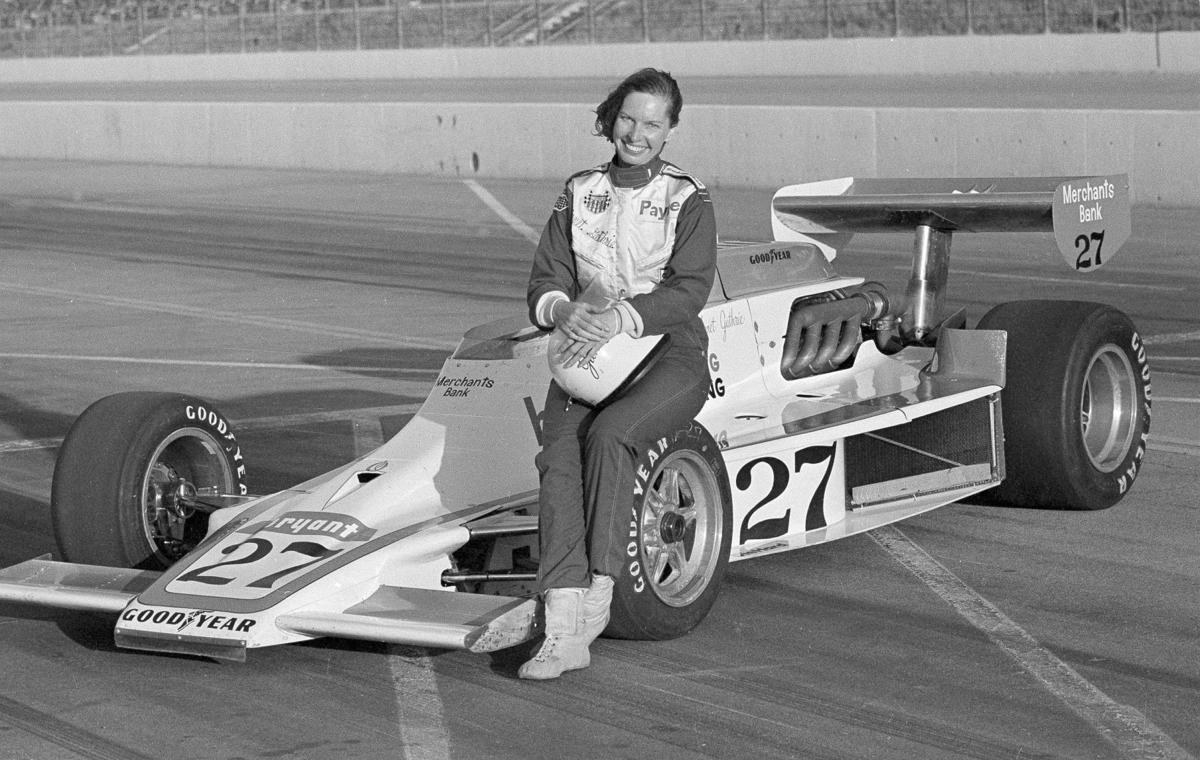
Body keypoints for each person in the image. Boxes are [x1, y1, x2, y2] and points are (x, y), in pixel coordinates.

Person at [521, 68, 717, 680]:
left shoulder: (689, 196)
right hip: (587, 354)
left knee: (611, 436)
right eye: (629, 118)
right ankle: (560, 616)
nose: (637, 133)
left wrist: (622, 319)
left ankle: (594, 608)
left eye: (653, 123)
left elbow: (690, 291)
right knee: (558, 456)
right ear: (612, 118)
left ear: (670, 130)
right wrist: (564, 309)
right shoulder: (579, 190)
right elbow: (545, 278)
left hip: (672, 354)